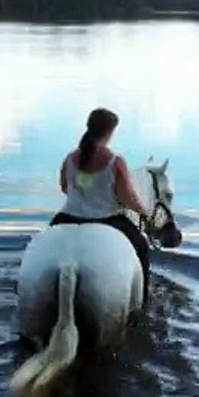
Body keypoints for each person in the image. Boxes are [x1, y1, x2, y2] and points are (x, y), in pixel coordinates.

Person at [51, 108, 152, 301]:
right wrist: (144, 211)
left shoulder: (70, 158)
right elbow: (127, 198)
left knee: (45, 241)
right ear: (110, 132)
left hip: (67, 218)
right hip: (108, 221)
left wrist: (85, 194)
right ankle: (144, 299)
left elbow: (65, 188)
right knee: (141, 246)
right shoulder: (115, 162)